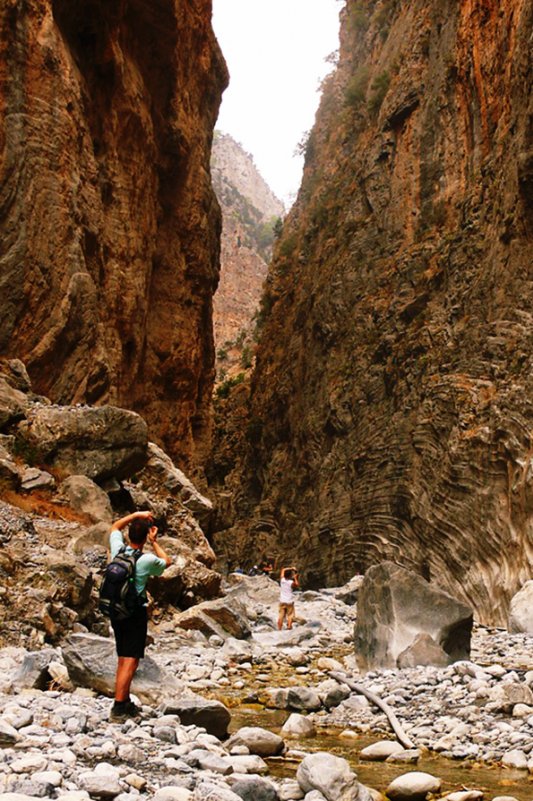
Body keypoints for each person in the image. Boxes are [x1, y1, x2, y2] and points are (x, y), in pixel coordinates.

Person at [108, 510, 171, 721]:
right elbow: (167, 561)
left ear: (129, 535)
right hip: (134, 612)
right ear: (145, 536)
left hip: (115, 609)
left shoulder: (118, 550)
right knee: (131, 659)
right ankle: (118, 707)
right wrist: (154, 542)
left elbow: (115, 526)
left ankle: (123, 700)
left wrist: (136, 514)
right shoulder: (146, 560)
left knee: (122, 656)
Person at [278, 566, 299, 630]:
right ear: (290, 576)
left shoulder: (282, 580)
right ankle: (289, 626)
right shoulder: (291, 583)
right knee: (290, 614)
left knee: (281, 615)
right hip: (289, 601)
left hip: (282, 600)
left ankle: (279, 628)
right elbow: (297, 584)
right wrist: (295, 578)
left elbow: (283, 569)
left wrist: (291, 568)